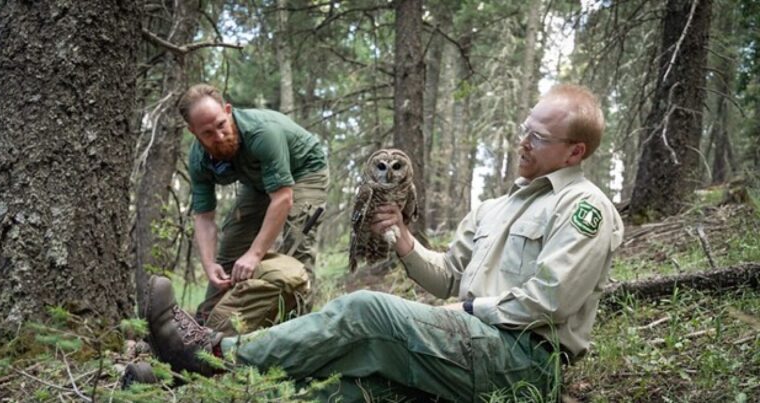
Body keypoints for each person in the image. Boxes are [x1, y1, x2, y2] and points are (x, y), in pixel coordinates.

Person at [147, 83, 623, 401]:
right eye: (524, 129)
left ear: (574, 151)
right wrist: (403, 240)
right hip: (466, 351)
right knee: (348, 385)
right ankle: (181, 388)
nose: (523, 142)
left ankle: (212, 352)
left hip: (524, 364)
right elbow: (449, 280)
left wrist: (468, 311)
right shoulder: (494, 209)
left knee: (366, 310)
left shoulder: (583, 207)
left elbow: (550, 302)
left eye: (538, 137)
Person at [178, 84, 328, 334]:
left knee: (296, 247)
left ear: (228, 111)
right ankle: (206, 330)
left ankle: (300, 331)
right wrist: (208, 264)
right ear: (193, 132)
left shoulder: (262, 132)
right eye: (207, 133)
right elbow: (204, 217)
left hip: (304, 170)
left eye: (221, 124)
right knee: (230, 251)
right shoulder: (198, 161)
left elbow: (282, 198)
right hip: (258, 181)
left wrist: (255, 254)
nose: (219, 136)